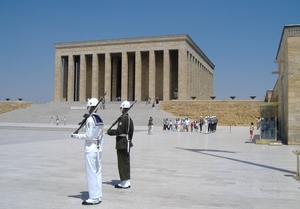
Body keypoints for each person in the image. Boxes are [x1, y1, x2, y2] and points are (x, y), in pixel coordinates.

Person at [71, 98, 104, 205]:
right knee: (97, 173)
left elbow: (89, 136)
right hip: (98, 148)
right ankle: (98, 195)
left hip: (90, 148)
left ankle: (93, 198)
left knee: (91, 173)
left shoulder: (90, 119)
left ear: (90, 106)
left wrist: (76, 136)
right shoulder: (99, 118)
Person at [107, 101, 134, 189]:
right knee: (126, 162)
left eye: (121, 108)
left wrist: (110, 132)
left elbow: (119, 131)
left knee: (122, 163)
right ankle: (127, 180)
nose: (120, 109)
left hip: (121, 143)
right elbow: (131, 131)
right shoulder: (129, 118)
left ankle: (124, 181)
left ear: (124, 108)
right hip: (126, 142)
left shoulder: (123, 118)